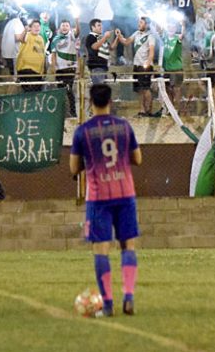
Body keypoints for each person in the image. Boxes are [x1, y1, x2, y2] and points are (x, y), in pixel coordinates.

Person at [69, 83, 143, 317]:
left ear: (91, 102)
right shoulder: (124, 127)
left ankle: (108, 304)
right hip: (125, 193)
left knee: (101, 249)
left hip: (99, 196)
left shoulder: (82, 131)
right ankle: (129, 297)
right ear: (111, 101)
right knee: (128, 245)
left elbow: (73, 168)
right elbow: (138, 159)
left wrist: (89, 161)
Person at [118, 17, 156, 117]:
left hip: (146, 66)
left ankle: (149, 110)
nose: (139, 24)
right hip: (137, 65)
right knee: (139, 89)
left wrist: (147, 63)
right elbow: (126, 42)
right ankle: (142, 110)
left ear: (146, 25)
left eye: (141, 22)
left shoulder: (150, 36)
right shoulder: (136, 33)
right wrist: (119, 35)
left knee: (146, 88)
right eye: (139, 22)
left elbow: (151, 52)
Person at [49, 18, 81, 117]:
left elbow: (78, 31)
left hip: (70, 67)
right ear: (59, 28)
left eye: (67, 25)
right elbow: (53, 54)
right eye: (63, 25)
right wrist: (53, 67)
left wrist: (76, 21)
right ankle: (61, 113)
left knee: (68, 89)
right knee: (60, 91)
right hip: (60, 68)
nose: (65, 27)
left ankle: (73, 111)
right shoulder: (55, 39)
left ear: (70, 27)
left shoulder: (71, 35)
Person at [16, 19, 47, 92]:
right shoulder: (28, 35)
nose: (37, 28)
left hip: (38, 71)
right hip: (26, 69)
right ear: (30, 28)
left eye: (38, 26)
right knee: (28, 91)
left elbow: (42, 55)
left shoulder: (41, 39)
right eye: (34, 26)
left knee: (36, 92)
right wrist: (25, 30)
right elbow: (21, 39)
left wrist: (44, 70)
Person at [161, 19, 186, 108]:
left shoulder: (177, 38)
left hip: (176, 68)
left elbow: (182, 35)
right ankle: (171, 109)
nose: (171, 29)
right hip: (167, 69)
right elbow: (158, 31)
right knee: (168, 89)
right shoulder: (165, 38)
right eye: (169, 27)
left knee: (176, 89)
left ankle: (179, 108)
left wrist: (183, 25)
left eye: (173, 27)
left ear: (175, 28)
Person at [85, 18, 118, 85]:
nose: (101, 27)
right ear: (93, 27)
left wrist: (117, 37)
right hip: (96, 66)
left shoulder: (101, 37)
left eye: (101, 25)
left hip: (103, 66)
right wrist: (105, 37)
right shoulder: (90, 37)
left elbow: (111, 47)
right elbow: (94, 47)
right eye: (99, 25)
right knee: (99, 88)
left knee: (103, 88)